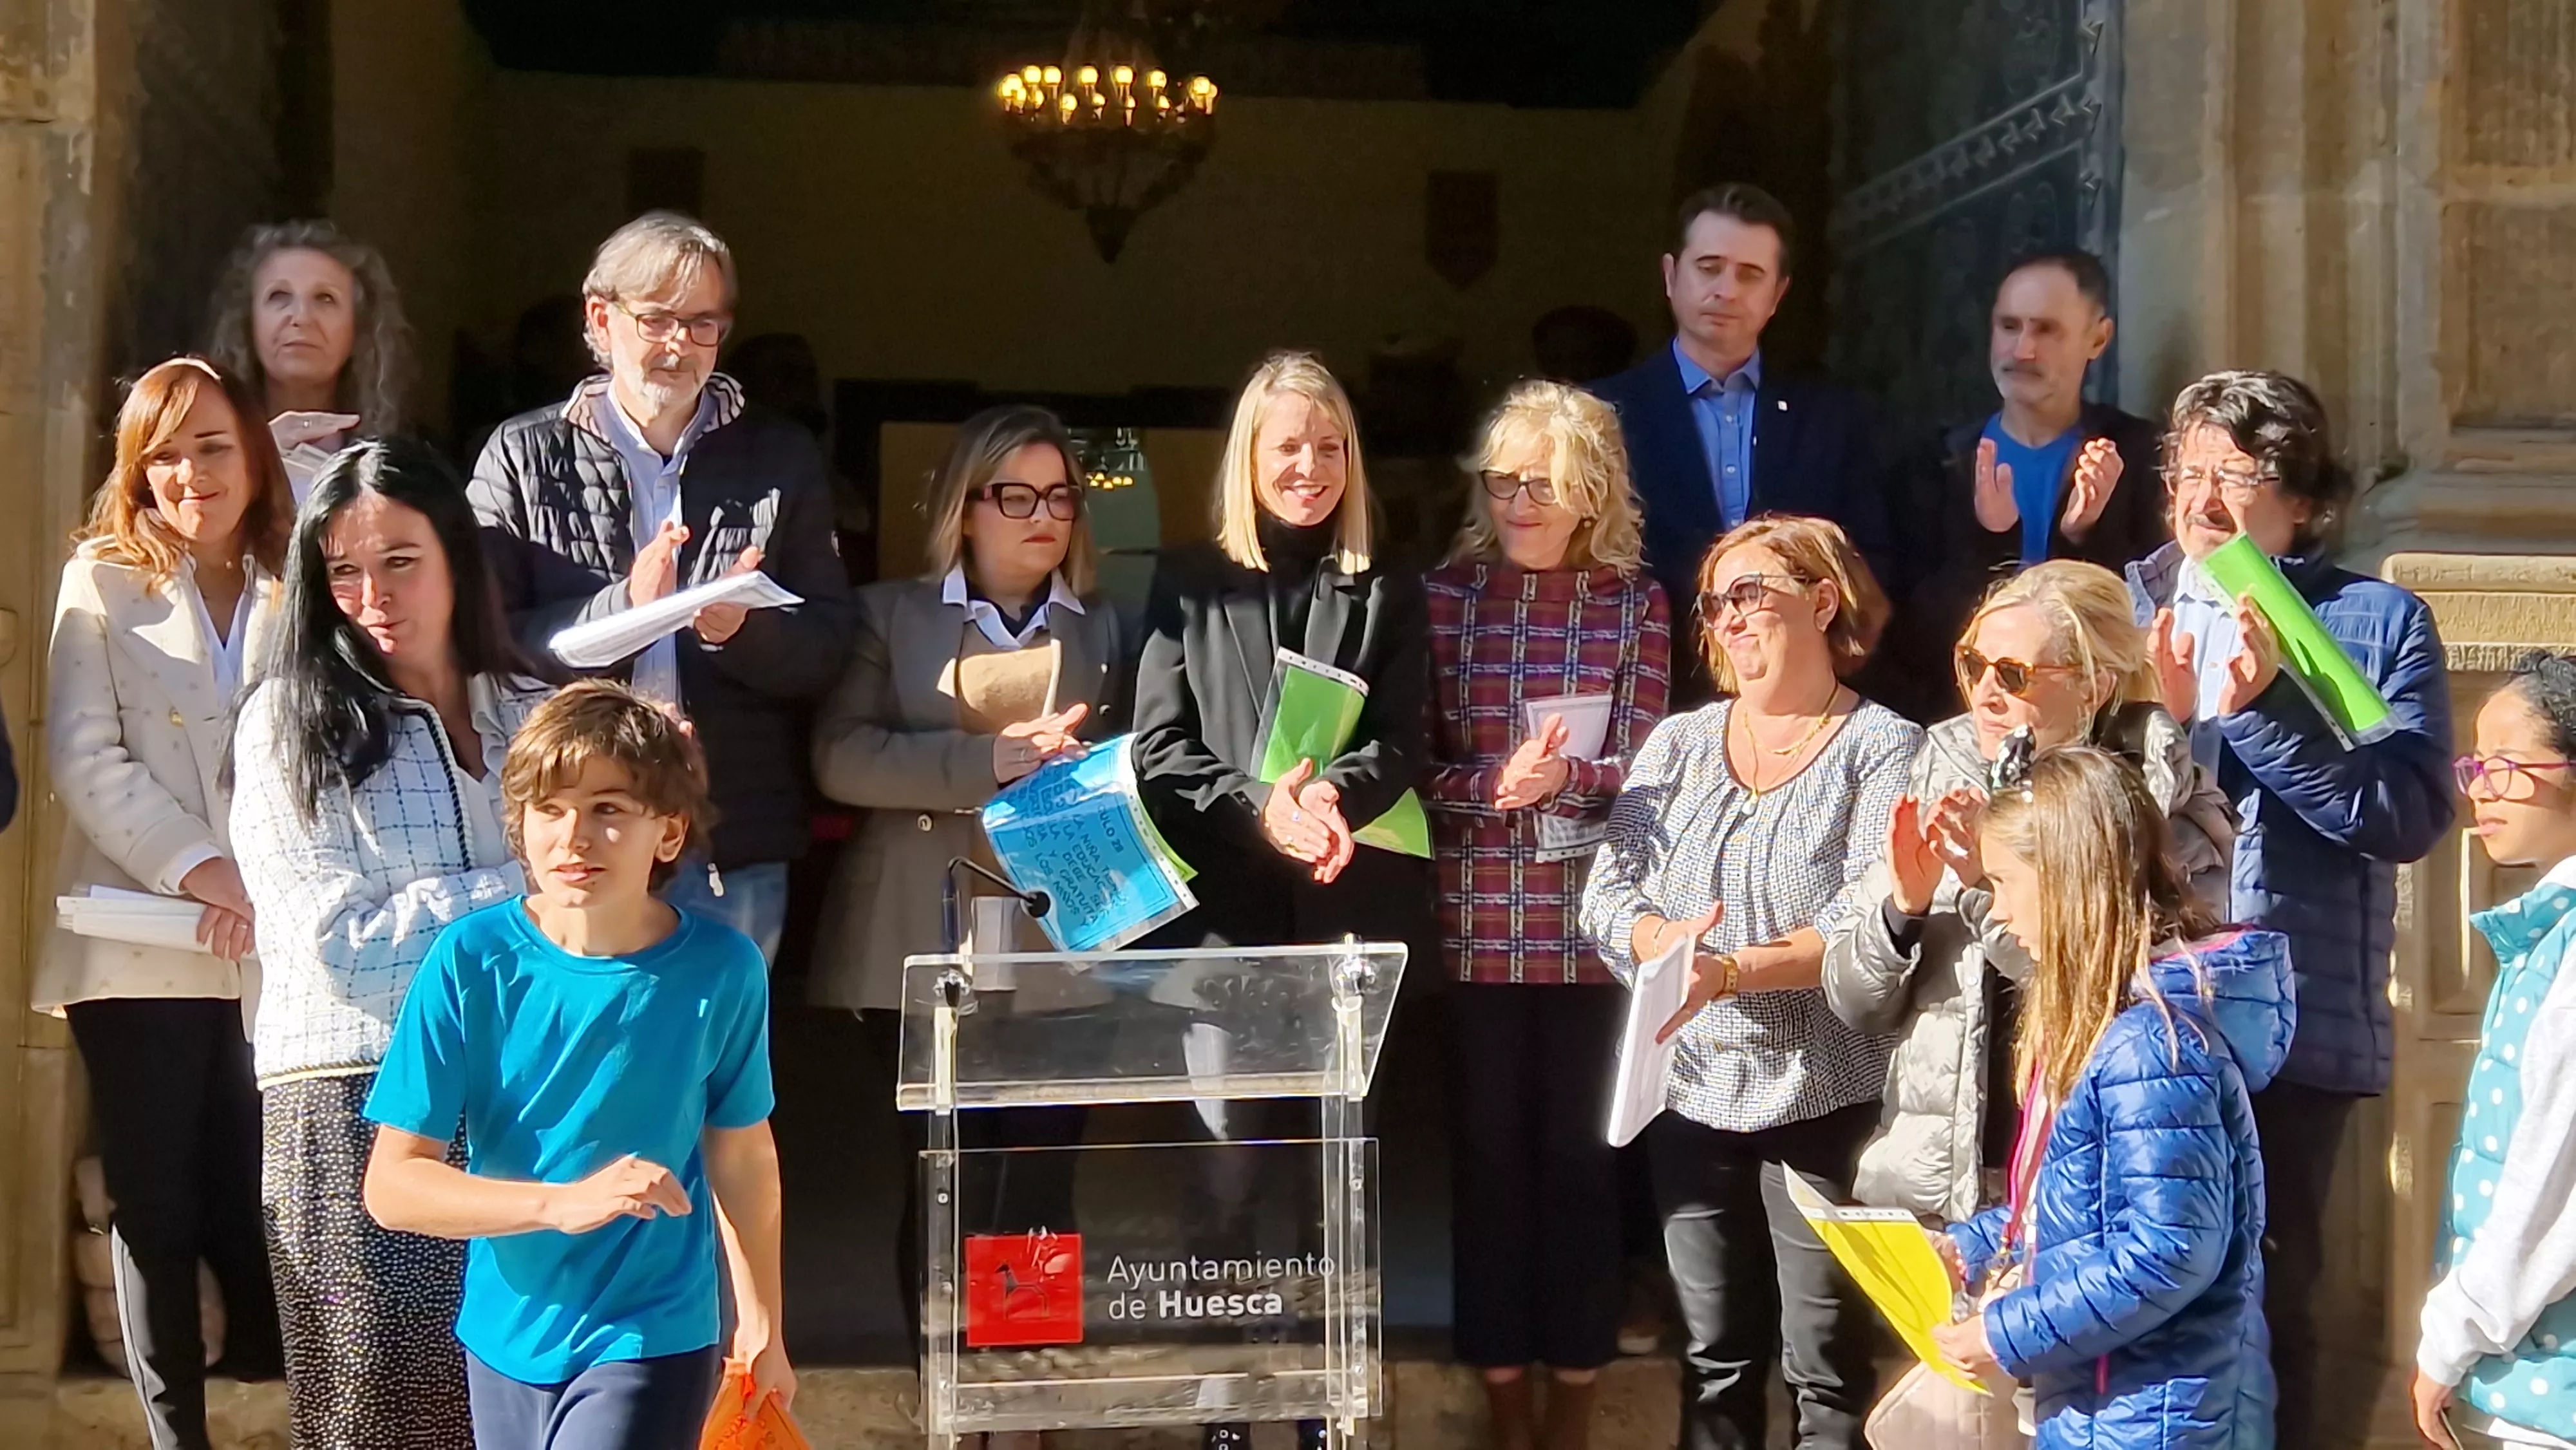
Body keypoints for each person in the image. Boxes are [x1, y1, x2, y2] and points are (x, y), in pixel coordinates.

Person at [2128, 369, 2456, 1449]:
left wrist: (2264, 710)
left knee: (2271, 1297)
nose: (2204, 496)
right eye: (2189, 468)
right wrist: (2154, 725)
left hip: (2290, 1019)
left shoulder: (2375, 621)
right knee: (2129, 1286)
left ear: (2304, 501)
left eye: (2238, 473)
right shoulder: (2123, 608)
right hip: (2133, 1009)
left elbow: (2406, 815)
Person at [227, 438, 554, 1449]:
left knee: (521, 1413)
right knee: (379, 1422)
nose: (372, 595)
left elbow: (615, 905)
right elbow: (345, 951)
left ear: (458, 555)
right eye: (343, 570)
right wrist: (533, 888)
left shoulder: (538, 713)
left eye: (401, 560)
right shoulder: (286, 722)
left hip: (531, 1100)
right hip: (354, 1102)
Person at [361, 681, 790, 1450]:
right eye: (550, 808)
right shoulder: (470, 958)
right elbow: (393, 1186)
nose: (574, 836)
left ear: (669, 831)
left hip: (652, 1330)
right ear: (520, 828)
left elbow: (742, 1150)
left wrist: (761, 1322)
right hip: (502, 1334)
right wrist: (560, 1203)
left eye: (608, 808)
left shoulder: (724, 968)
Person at [1131, 352, 1430, 1450]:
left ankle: (1320, 1407)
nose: (1309, 466)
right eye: (1288, 446)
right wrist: (1262, 807)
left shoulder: (1385, 587)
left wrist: (1331, 798)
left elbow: (1405, 736)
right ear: (1248, 458)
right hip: (1223, 927)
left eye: (1329, 446)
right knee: (1226, 1167)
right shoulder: (1187, 580)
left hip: (1342, 918)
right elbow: (1157, 745)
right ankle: (1226, 1407)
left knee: (1331, 1172)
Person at [1578, 514, 1920, 1450]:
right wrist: (1662, 943)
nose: (1726, 617)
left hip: (1828, 1095)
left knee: (1826, 1365)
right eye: (1713, 603)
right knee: (1713, 1358)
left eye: (1748, 593)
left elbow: (1861, 919)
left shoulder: (1883, 747)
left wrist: (1727, 971)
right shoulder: (1678, 743)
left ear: (1823, 599)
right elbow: (1608, 892)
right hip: (1692, 1093)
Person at [468, 211, 854, 965]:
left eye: (703, 324)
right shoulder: (521, 454)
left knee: (715, 1036)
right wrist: (627, 610)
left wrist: (739, 629)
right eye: (656, 320)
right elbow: (484, 640)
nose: (679, 344)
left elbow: (830, 646)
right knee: (578, 1030)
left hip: (727, 830)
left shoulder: (779, 455)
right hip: (571, 827)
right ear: (600, 319)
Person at [37, 357, 292, 1449]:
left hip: (276, 938)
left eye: (214, 446)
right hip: (141, 939)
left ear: (256, 456)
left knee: (274, 1193)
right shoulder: (100, 580)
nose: (192, 473)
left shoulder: (304, 578)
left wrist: (265, 880)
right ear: (136, 472)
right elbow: (85, 756)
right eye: (166, 454)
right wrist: (201, 868)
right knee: (155, 1204)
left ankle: (304, 1413)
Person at [1821, 560, 2233, 1223]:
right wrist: (1902, 911)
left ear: (2093, 687)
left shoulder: (2166, 812)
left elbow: (2101, 1002)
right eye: (1972, 665)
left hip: (2084, 1191)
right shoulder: (1943, 768)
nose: (1985, 693)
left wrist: (1983, 882)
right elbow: (1853, 1001)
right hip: (1934, 1186)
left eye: (2012, 675)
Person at [1423, 381, 1670, 1450]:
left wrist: (1569, 776)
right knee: (1487, 1161)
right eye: (1504, 481)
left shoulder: (1636, 601)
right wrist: (1493, 786)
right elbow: (1407, 765)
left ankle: (1574, 1388)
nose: (1520, 503)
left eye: (1545, 484)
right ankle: (1501, 1390)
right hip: (1475, 920)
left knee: (1581, 1162)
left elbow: (1656, 765)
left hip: (1593, 927)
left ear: (1593, 492)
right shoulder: (1446, 597)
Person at [1929, 743, 2287, 1449]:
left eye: (2004, 882)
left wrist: (2007, 1332)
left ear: (2066, 879)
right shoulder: (2106, 1025)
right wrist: (1970, 1246)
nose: (1999, 911)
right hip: (2106, 1403)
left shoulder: (2150, 1042)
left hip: (2158, 1417)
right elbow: (2077, 1203)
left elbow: (2170, 1249)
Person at [1590, 184, 1889, 701]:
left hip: (1802, 700)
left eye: (1750, 275)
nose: (1726, 290)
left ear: (1778, 295)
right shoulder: (1602, 417)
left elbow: (1870, 562)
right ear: (1670, 276)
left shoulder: (1833, 418)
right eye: (1709, 268)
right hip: (1650, 696)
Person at [1883, 250, 2168, 722]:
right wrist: (1989, 542)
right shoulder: (1937, 464)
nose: (2023, 351)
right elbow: (1912, 640)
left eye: (2047, 330)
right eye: (2009, 327)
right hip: (1964, 729)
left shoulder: (2137, 456)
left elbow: (2147, 630)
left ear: (2098, 339)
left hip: (2096, 733)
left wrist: (2084, 537)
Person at [2410, 654, 2576, 1450]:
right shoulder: (2548, 935)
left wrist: (2453, 1334)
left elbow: (2551, 1182)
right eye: (2474, 765)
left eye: (2505, 765)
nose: (2478, 788)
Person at [204, 220, 412, 499]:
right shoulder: (196, 455)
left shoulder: (400, 471)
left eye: (325, 299)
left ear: (360, 329)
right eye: (279, 296)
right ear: (248, 322)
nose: (301, 317)